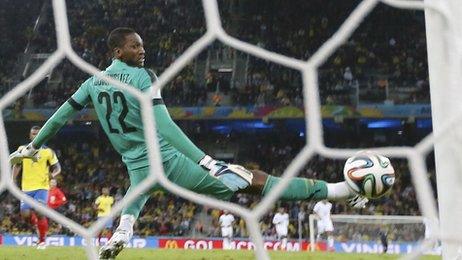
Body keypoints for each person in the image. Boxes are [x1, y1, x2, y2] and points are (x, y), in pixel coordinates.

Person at [8, 27, 368, 259]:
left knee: (139, 190)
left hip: (134, 159)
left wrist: (33, 145)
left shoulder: (91, 84)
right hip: (167, 158)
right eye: (134, 46)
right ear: (118, 51)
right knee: (252, 180)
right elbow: (164, 126)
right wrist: (206, 160)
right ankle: (338, 191)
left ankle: (120, 234)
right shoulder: (142, 77)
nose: (142, 50)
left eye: (142, 46)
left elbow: (59, 116)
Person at [11, 126, 61, 250]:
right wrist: (13, 179)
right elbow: (17, 165)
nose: (35, 136)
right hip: (26, 188)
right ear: (30, 136)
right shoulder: (22, 149)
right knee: (25, 215)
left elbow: (57, 168)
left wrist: (52, 175)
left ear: (42, 135)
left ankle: (42, 241)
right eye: (33, 134)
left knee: (39, 212)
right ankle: (40, 228)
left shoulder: (48, 152)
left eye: (38, 134)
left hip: (42, 187)